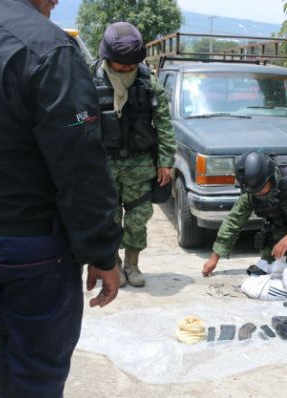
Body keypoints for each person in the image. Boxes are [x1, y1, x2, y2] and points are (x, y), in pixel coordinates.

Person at [0, 1, 123, 398]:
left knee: (9, 339)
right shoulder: (46, 46)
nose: (57, 1)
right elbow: (79, 163)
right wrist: (102, 251)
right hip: (29, 245)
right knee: (35, 360)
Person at [92, 22, 177, 287]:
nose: (128, 69)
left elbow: (164, 123)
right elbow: (75, 122)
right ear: (108, 58)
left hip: (140, 163)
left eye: (132, 64)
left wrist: (165, 161)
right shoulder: (89, 80)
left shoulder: (148, 82)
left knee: (138, 218)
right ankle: (114, 264)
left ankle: (132, 263)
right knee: (109, 218)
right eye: (121, 64)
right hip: (103, 164)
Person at [202, 152, 287, 284]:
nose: (258, 194)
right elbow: (233, 222)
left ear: (270, 177)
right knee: (270, 263)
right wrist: (214, 259)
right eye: (254, 191)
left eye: (261, 188)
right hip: (283, 223)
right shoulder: (251, 191)